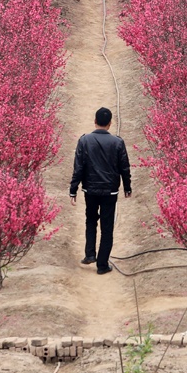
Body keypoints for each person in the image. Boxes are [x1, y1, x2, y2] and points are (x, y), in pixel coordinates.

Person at [69, 107, 132, 275]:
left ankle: (90, 254)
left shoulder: (84, 140)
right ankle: (102, 265)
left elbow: (79, 167)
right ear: (110, 123)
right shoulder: (118, 142)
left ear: (95, 121)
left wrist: (73, 190)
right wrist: (127, 187)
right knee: (107, 227)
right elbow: (124, 167)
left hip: (90, 190)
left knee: (90, 220)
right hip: (110, 191)